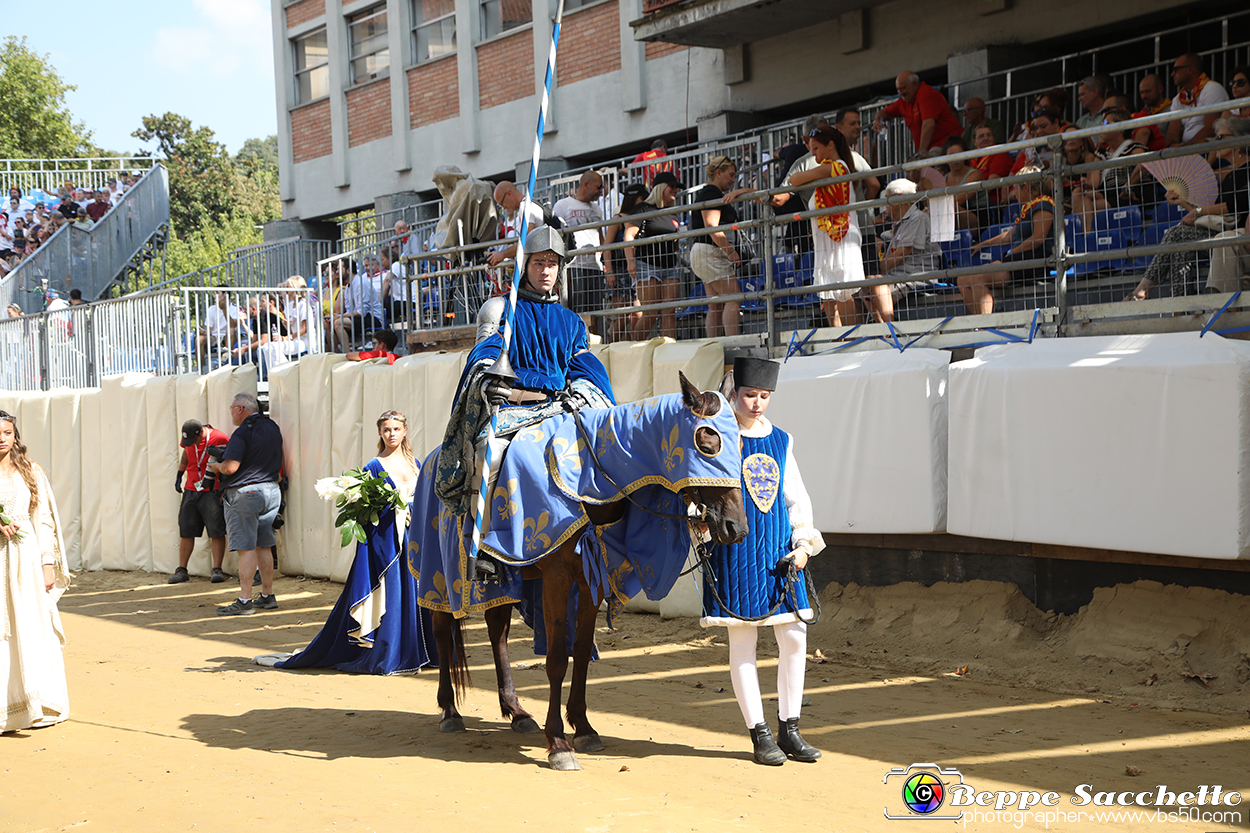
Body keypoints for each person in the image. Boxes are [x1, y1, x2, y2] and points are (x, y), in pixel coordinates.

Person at [435, 226, 615, 528]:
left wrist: (584, 390)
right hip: (512, 410)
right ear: (524, 265)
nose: (546, 271)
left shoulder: (571, 322)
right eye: (539, 263)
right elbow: (484, 353)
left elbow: (583, 366)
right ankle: (485, 545)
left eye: (552, 263)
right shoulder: (500, 308)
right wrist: (487, 377)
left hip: (559, 409)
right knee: (489, 456)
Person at [701, 358, 825, 766]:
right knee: (744, 641)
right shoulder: (716, 438)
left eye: (764, 397)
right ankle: (759, 733)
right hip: (734, 553)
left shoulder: (782, 440)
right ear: (734, 394)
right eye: (750, 395)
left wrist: (804, 545)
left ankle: (790, 728)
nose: (757, 403)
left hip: (778, 554)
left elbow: (796, 498)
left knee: (794, 638)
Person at [273, 411, 434, 674]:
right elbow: (366, 507)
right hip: (387, 542)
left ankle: (421, 650)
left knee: (415, 591)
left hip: (414, 539)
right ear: (380, 433)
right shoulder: (374, 465)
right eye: (386, 430)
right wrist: (395, 511)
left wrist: (413, 511)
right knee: (392, 593)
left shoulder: (416, 463)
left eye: (396, 429)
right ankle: (391, 653)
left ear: (405, 431)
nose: (391, 434)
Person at [1, 409, 71, 732]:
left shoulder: (31, 471)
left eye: (7, 433)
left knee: (29, 623)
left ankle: (37, 702)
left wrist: (47, 563)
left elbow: (43, 519)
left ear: (15, 437)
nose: (1, 439)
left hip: (26, 559)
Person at [1128, 118, 1250, 300]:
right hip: (1221, 234)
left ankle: (1144, 289)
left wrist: (1198, 212)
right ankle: (1181, 306)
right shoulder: (1231, 176)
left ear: (1239, 141)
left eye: (1220, 137)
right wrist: (1183, 203)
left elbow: (1237, 204)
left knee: (1177, 234)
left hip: (1236, 236)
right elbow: (1214, 213)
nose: (1216, 142)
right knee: (1180, 243)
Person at [206, 393, 284, 615]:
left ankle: (245, 600)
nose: (231, 412)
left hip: (246, 493)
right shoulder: (273, 428)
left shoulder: (242, 432)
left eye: (232, 408)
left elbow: (231, 468)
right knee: (264, 545)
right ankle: (267, 595)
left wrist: (216, 467)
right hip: (271, 490)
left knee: (246, 547)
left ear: (240, 408)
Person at [783, 125, 864, 327]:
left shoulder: (835, 166)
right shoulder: (826, 169)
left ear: (830, 145)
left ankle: (850, 335)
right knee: (828, 291)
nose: (813, 153)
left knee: (843, 290)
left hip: (841, 236)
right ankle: (837, 337)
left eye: (816, 148)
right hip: (826, 238)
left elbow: (794, 179)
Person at [959, 165, 1054, 315]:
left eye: (1015, 188)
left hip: (1034, 258)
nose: (1013, 194)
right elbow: (1009, 236)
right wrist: (983, 244)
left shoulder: (1044, 205)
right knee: (962, 280)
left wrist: (1011, 252)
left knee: (977, 278)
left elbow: (1038, 239)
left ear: (1026, 187)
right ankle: (980, 322)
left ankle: (986, 325)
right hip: (1017, 258)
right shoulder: (1028, 208)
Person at [859, 178, 942, 323]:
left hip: (914, 277)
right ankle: (880, 328)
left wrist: (874, 271)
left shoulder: (917, 218)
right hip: (897, 276)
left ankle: (889, 329)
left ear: (899, 198)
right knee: (861, 289)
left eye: (887, 199)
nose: (885, 205)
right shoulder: (900, 224)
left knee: (872, 288)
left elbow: (901, 254)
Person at [691, 156, 755, 338]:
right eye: (731, 175)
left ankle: (716, 345)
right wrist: (730, 251)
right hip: (711, 251)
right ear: (718, 173)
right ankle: (733, 344)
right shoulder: (711, 193)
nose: (733, 179)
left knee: (715, 304)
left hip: (704, 252)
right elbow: (712, 226)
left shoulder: (707, 193)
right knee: (734, 299)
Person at [624, 171, 684, 340]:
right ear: (661, 188)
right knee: (650, 312)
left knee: (669, 311)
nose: (675, 190)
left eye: (676, 187)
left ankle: (668, 351)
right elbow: (629, 235)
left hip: (669, 265)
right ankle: (637, 349)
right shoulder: (643, 208)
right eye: (671, 186)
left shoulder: (673, 212)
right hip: (646, 264)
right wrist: (630, 261)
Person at [169, 419, 230, 584]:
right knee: (186, 528)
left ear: (200, 434)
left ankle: (217, 569)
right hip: (191, 488)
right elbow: (185, 454)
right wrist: (179, 474)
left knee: (216, 529)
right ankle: (182, 569)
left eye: (192, 440)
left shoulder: (219, 438)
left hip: (211, 489)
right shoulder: (190, 440)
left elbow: (229, 459)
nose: (190, 444)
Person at [1070, 109, 1148, 229]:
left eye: (1106, 123)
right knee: (1077, 193)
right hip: (1105, 194)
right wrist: (1085, 183)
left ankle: (1087, 237)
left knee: (1087, 210)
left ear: (1120, 128)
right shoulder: (1101, 154)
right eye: (1101, 124)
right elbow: (1094, 184)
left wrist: (1128, 186)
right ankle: (1089, 236)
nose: (1102, 127)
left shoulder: (1133, 147)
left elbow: (1145, 164)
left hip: (1124, 195)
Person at [552, 171, 607, 320]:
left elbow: (601, 237)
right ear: (586, 184)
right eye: (599, 186)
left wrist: (605, 262)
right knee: (576, 312)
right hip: (573, 267)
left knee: (595, 313)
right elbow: (556, 236)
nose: (601, 191)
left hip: (594, 267)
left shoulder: (597, 209)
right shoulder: (563, 205)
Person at [872, 72, 962, 154]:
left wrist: (921, 153)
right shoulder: (904, 101)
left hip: (947, 143)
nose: (900, 93)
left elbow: (929, 124)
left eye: (903, 88)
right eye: (898, 90)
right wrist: (877, 121)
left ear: (915, 84)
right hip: (930, 148)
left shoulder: (926, 93)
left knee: (928, 163)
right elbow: (884, 112)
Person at [601, 182, 647, 342]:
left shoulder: (641, 218)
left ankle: (632, 350)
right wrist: (610, 271)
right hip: (619, 271)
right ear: (634, 198)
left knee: (637, 314)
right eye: (642, 197)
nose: (645, 201)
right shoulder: (619, 218)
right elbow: (606, 246)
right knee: (622, 317)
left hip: (637, 271)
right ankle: (612, 347)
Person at [1167, 53, 1229, 148]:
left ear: (1190, 69)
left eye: (1176, 70)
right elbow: (1172, 132)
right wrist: (1172, 145)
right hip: (1188, 148)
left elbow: (1210, 129)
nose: (1172, 74)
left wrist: (1185, 149)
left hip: (1211, 145)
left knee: (1202, 142)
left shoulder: (1212, 89)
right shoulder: (1178, 99)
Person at [486, 181, 548, 269]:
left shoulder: (525, 207)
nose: (504, 208)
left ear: (509, 194)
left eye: (502, 203)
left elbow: (526, 243)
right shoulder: (530, 203)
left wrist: (502, 254)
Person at [943, 136, 989, 235]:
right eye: (951, 155)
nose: (956, 159)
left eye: (959, 154)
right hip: (950, 216)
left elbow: (959, 200)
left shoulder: (975, 175)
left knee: (948, 207)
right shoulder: (944, 178)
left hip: (977, 218)